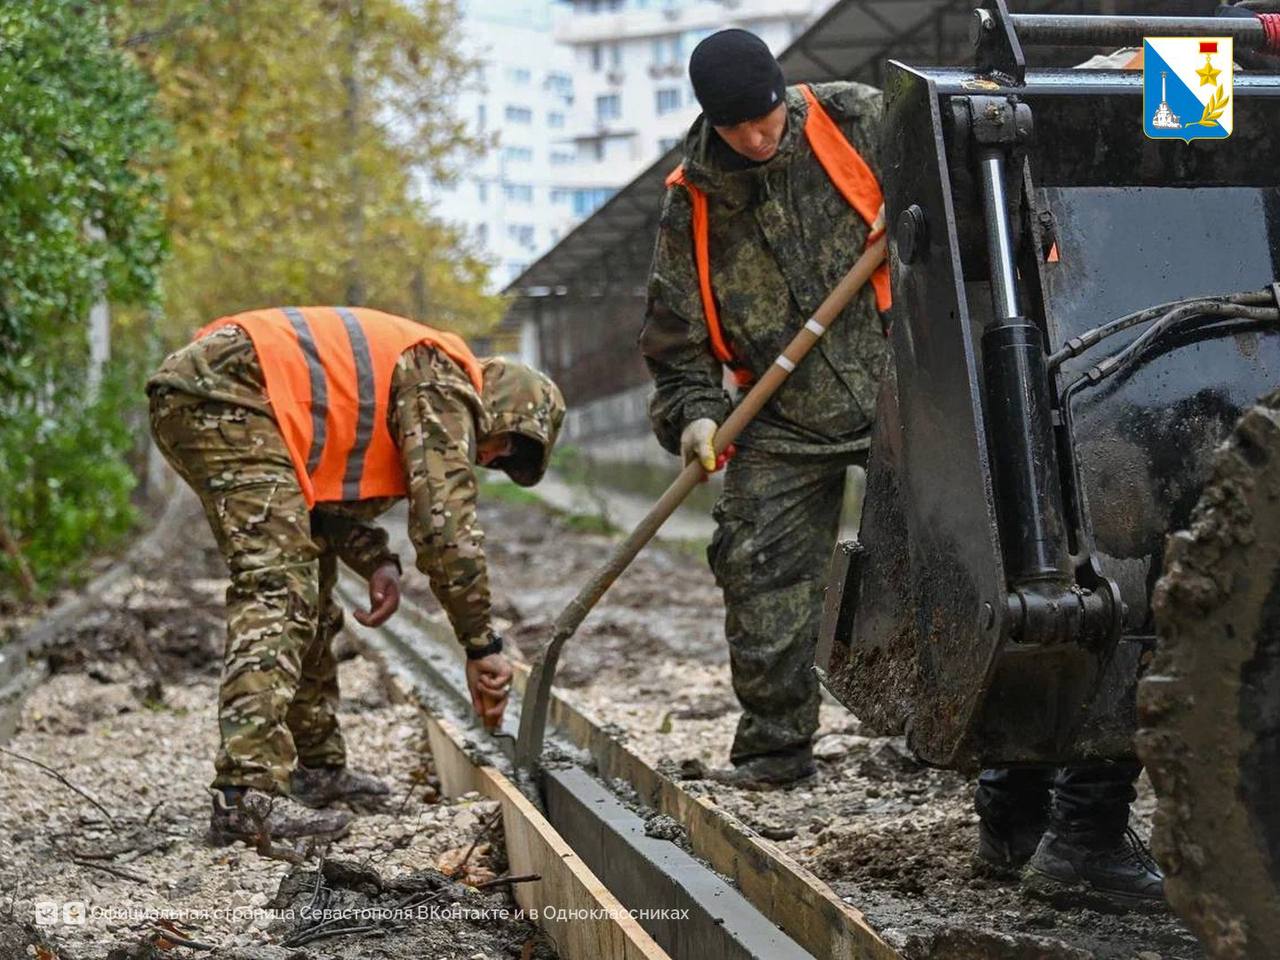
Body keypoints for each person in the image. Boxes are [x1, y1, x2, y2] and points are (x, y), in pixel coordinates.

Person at [146, 306, 565, 844]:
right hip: (227, 392)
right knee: (279, 584)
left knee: (311, 589)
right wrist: (482, 644)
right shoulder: (444, 380)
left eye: (505, 459)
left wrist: (376, 560)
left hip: (225, 395)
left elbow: (320, 506)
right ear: (499, 403)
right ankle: (244, 795)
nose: (492, 455)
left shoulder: (420, 383)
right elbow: (446, 529)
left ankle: (317, 769)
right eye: (506, 441)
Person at [638, 29, 890, 790]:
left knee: (947, 562)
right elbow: (676, 340)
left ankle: (938, 737)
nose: (758, 136)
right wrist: (694, 416)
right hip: (778, 419)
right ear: (713, 122)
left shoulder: (861, 124)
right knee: (757, 567)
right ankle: (777, 752)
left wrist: (920, 225)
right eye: (738, 126)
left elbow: (968, 206)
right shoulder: (694, 202)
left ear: (786, 95)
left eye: (768, 117)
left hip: (906, 394)